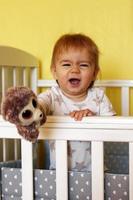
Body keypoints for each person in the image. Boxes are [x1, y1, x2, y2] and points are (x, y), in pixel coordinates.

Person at [38, 33, 116, 171]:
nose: (75, 70)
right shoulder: (52, 96)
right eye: (67, 64)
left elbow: (115, 129)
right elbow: (38, 106)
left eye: (84, 65)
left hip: (96, 173)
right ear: (54, 71)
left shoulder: (99, 97)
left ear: (94, 74)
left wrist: (93, 119)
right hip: (58, 173)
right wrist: (31, 107)